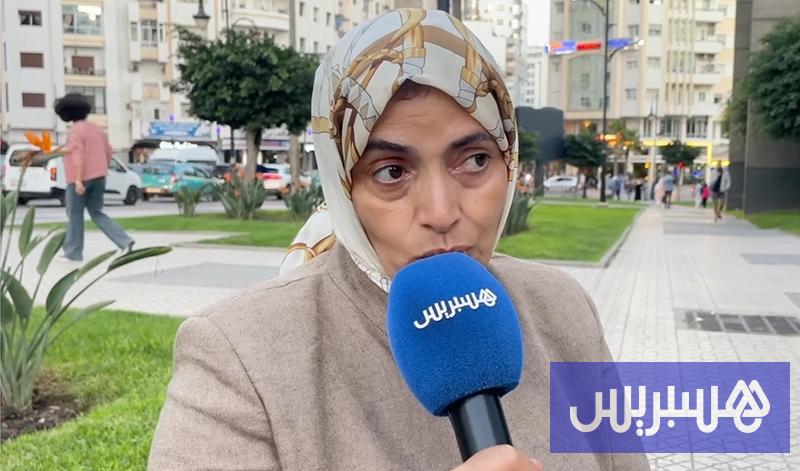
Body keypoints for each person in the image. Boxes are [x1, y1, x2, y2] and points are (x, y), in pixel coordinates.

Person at [148, 10, 649, 471]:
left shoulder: (562, 311)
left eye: (475, 160)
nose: (441, 213)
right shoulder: (239, 355)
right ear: (344, 188)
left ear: (508, 163)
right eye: (391, 171)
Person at [54, 93, 134, 261]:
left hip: (79, 179)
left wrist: (78, 181)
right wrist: (102, 169)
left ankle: (73, 252)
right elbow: (108, 152)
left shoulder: (75, 131)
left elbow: (78, 155)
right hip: (99, 177)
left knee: (75, 215)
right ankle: (124, 241)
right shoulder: (97, 130)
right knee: (97, 213)